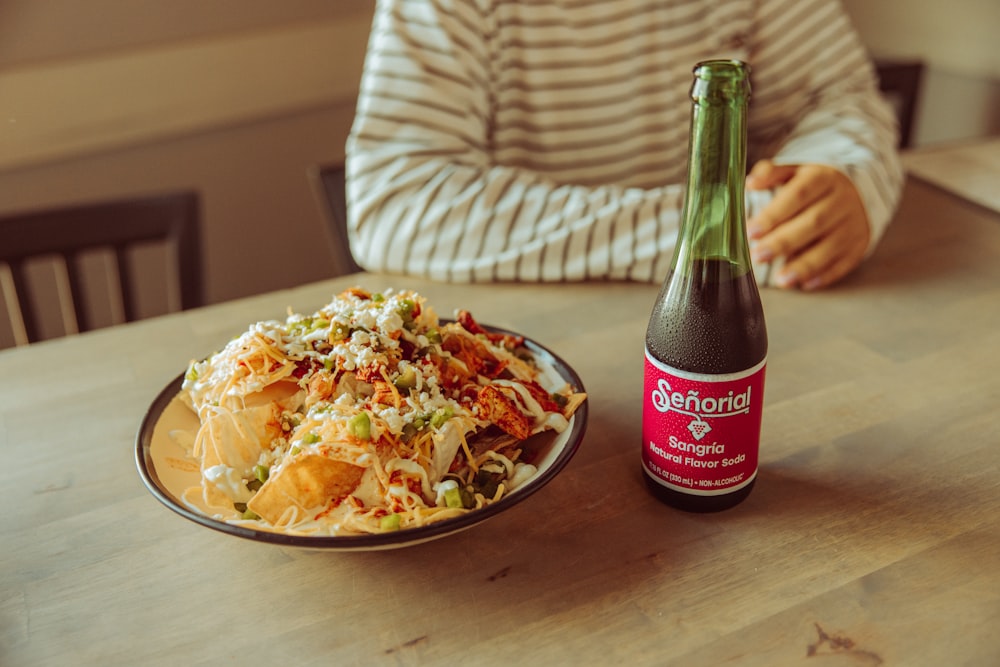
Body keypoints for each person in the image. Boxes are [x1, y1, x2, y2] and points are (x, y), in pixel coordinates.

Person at [345, 0, 904, 290]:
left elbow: (843, 100)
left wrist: (847, 177)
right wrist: (708, 234)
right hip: (538, 361)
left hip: (750, 324)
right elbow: (395, 205)